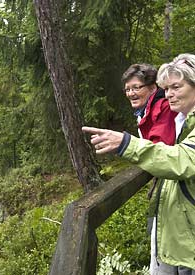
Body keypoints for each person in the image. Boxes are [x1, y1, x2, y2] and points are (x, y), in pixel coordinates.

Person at [82, 53, 195, 274]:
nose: (169, 95)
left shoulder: (172, 115)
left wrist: (126, 144)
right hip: (179, 227)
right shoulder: (182, 119)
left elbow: (182, 160)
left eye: (176, 87)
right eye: (167, 88)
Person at [121, 63, 177, 145]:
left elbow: (160, 148)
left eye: (136, 88)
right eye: (127, 89)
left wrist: (125, 144)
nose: (130, 94)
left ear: (152, 88)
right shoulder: (144, 111)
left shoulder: (164, 107)